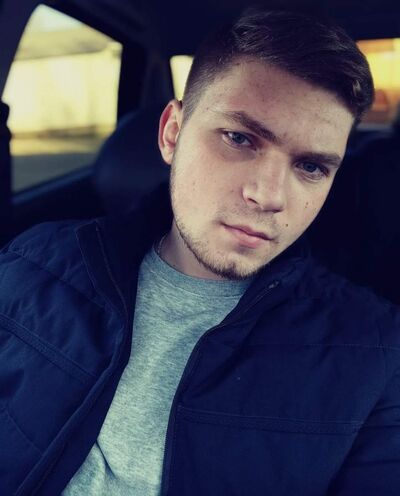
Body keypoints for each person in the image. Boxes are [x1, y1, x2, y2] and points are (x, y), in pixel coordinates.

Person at [1, 7, 399, 496]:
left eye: (312, 167)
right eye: (239, 138)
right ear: (172, 133)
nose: (269, 195)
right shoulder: (31, 263)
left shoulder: (378, 352)